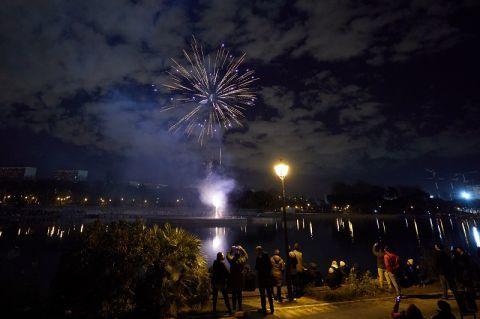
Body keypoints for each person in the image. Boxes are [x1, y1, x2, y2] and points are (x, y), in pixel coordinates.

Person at [227, 244, 248, 312]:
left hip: (233, 279)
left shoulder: (232, 261)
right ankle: (240, 307)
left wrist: (231, 250)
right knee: (239, 294)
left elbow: (227, 256)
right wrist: (242, 249)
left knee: (234, 295)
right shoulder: (242, 260)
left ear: (234, 255)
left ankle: (234, 308)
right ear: (239, 255)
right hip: (240, 279)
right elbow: (246, 256)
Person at [255, 246, 274, 315]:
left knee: (263, 295)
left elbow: (257, 268)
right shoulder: (266, 255)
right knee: (269, 294)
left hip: (262, 279)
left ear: (259, 250)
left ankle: (264, 309)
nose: (256, 252)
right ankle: (272, 309)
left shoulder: (258, 258)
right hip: (267, 278)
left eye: (256, 251)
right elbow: (270, 266)